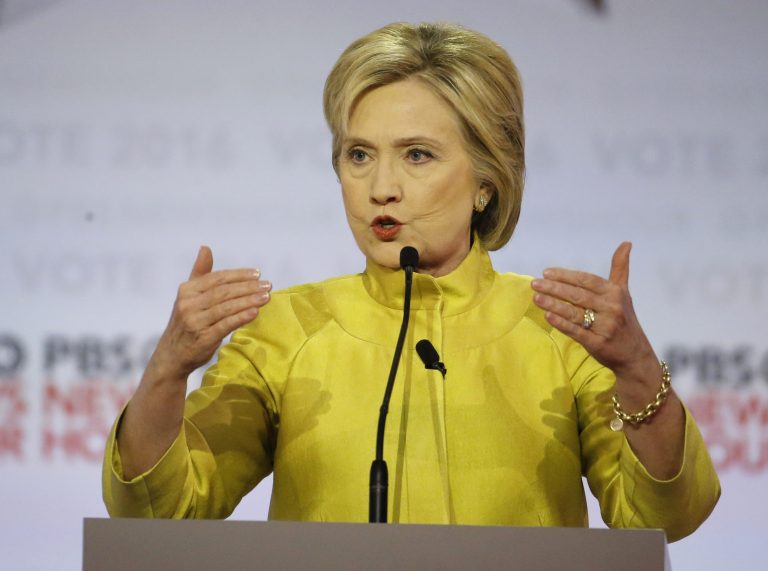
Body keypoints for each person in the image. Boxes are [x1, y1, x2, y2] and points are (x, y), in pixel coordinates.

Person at [103, 22, 719, 541]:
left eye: (417, 155)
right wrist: (167, 372)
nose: (380, 188)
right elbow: (160, 511)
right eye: (358, 155)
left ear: (487, 180)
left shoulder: (558, 330)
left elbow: (663, 518)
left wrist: (638, 369)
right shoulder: (288, 328)